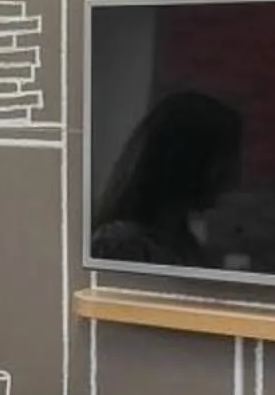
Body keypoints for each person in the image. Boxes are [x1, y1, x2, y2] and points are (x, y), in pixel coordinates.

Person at [90, 89, 242, 267]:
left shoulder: (182, 245)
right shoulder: (121, 248)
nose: (232, 177)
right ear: (187, 161)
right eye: (225, 159)